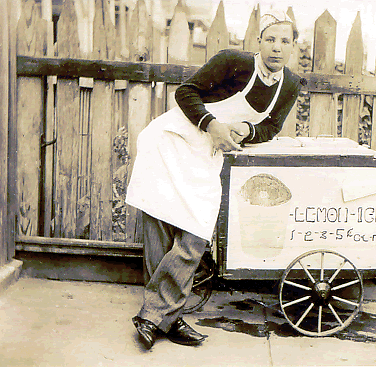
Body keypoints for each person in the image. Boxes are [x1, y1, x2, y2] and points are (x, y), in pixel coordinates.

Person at [125, 9, 303, 350]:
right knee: (159, 230)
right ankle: (166, 318)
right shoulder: (232, 62)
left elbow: (271, 127)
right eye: (270, 40)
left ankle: (153, 316)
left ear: (293, 46)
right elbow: (185, 93)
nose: (276, 48)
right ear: (259, 42)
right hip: (171, 142)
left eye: (284, 41)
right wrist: (213, 125)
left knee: (195, 233)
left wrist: (248, 129)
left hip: (206, 155)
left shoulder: (289, 85)